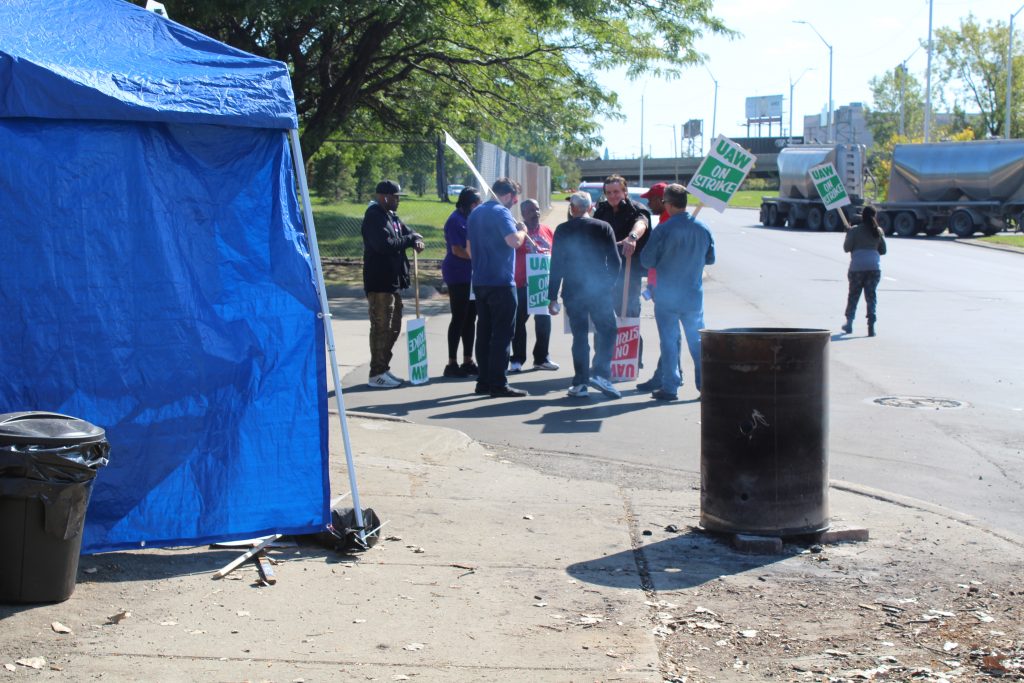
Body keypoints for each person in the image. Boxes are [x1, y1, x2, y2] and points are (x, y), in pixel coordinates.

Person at [640, 184, 715, 401]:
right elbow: (710, 258)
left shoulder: (663, 229)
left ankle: (670, 387)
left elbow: (647, 260)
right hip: (693, 295)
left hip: (667, 295)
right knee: (697, 342)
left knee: (669, 341)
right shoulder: (703, 228)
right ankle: (706, 385)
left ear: (669, 204)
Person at [547, 192, 622, 399]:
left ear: (572, 208)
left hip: (573, 291)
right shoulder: (603, 227)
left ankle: (581, 382)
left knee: (580, 336)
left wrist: (552, 296)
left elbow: (557, 265)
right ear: (591, 207)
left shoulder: (563, 229)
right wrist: (608, 285)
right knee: (608, 331)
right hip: (599, 291)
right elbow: (616, 262)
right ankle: (601, 374)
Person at [467, 177, 529, 398]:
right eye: (515, 198)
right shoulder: (502, 212)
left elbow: (469, 250)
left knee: (483, 332)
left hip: (480, 281)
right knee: (502, 334)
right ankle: (498, 383)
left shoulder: (475, 213)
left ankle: (483, 381)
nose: (515, 202)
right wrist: (522, 230)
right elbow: (514, 241)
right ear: (509, 195)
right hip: (501, 282)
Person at [361, 179, 424, 388]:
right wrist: (409, 240)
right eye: (395, 197)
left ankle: (383, 367)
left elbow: (408, 232)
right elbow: (384, 245)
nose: (398, 200)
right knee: (381, 327)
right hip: (380, 282)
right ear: (384, 197)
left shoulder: (391, 217)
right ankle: (376, 373)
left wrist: (414, 238)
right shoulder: (374, 217)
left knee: (394, 327)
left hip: (393, 281)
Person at [635, 182, 680, 393]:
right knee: (672, 335)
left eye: (651, 199)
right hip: (663, 286)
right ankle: (672, 373)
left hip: (667, 288)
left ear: (662, 199)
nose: (648, 202)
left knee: (669, 336)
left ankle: (665, 376)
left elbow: (654, 258)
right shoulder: (665, 220)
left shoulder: (668, 223)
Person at [592, 174, 651, 321]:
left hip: (629, 273)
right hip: (605, 273)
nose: (612, 196)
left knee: (629, 319)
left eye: (616, 192)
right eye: (609, 193)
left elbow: (641, 224)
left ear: (625, 192)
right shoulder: (601, 211)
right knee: (603, 320)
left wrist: (632, 237)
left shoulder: (637, 209)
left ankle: (633, 344)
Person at [510, 198, 558, 373]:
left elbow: (554, 254)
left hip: (541, 285)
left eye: (537, 209)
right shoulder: (518, 231)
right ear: (523, 213)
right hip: (522, 284)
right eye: (531, 210)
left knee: (543, 322)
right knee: (518, 323)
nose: (535, 213)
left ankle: (541, 358)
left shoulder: (547, 231)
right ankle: (517, 359)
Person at [441, 187, 482, 378]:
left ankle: (468, 360)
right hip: (458, 275)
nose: (479, 207)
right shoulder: (455, 221)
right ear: (470, 204)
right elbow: (457, 250)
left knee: (470, 318)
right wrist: (478, 259)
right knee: (459, 317)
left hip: (472, 275)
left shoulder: (471, 219)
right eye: (476, 203)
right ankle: (451, 363)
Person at [842, 205, 887, 337]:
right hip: (874, 268)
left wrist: (848, 234)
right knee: (871, 296)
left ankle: (849, 322)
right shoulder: (878, 231)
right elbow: (883, 250)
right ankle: (871, 325)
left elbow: (846, 248)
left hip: (857, 268)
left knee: (853, 295)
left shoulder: (854, 231)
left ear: (862, 216)